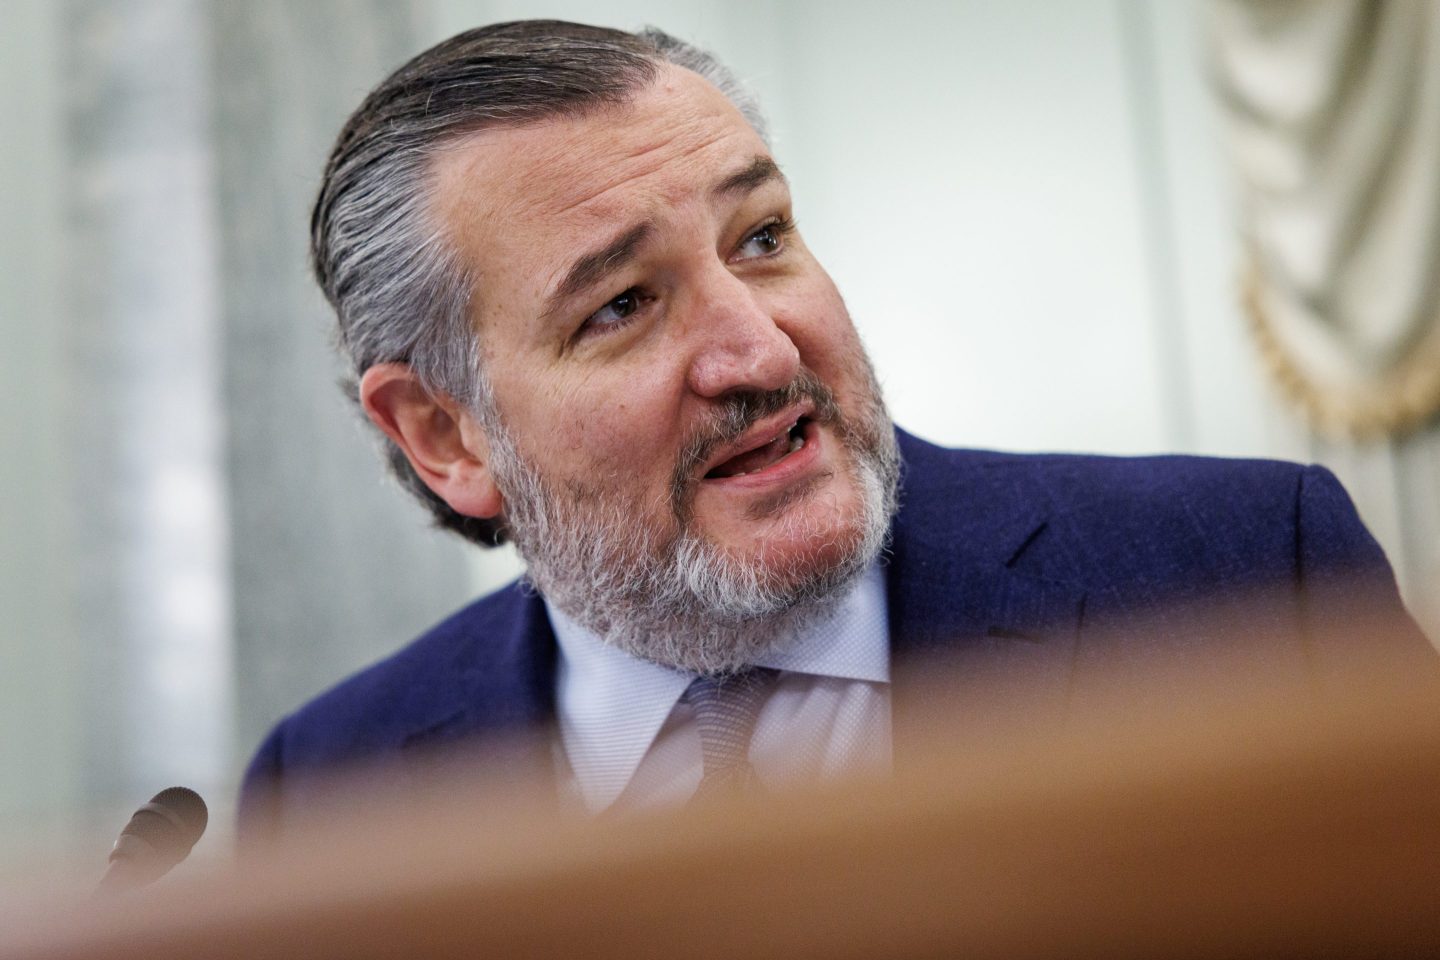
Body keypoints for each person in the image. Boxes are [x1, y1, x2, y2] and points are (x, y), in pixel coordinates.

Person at [240, 20, 1431, 829]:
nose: (760, 348)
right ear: (446, 436)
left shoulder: (1242, 578)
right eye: (621, 305)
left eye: (761, 238)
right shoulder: (333, 788)